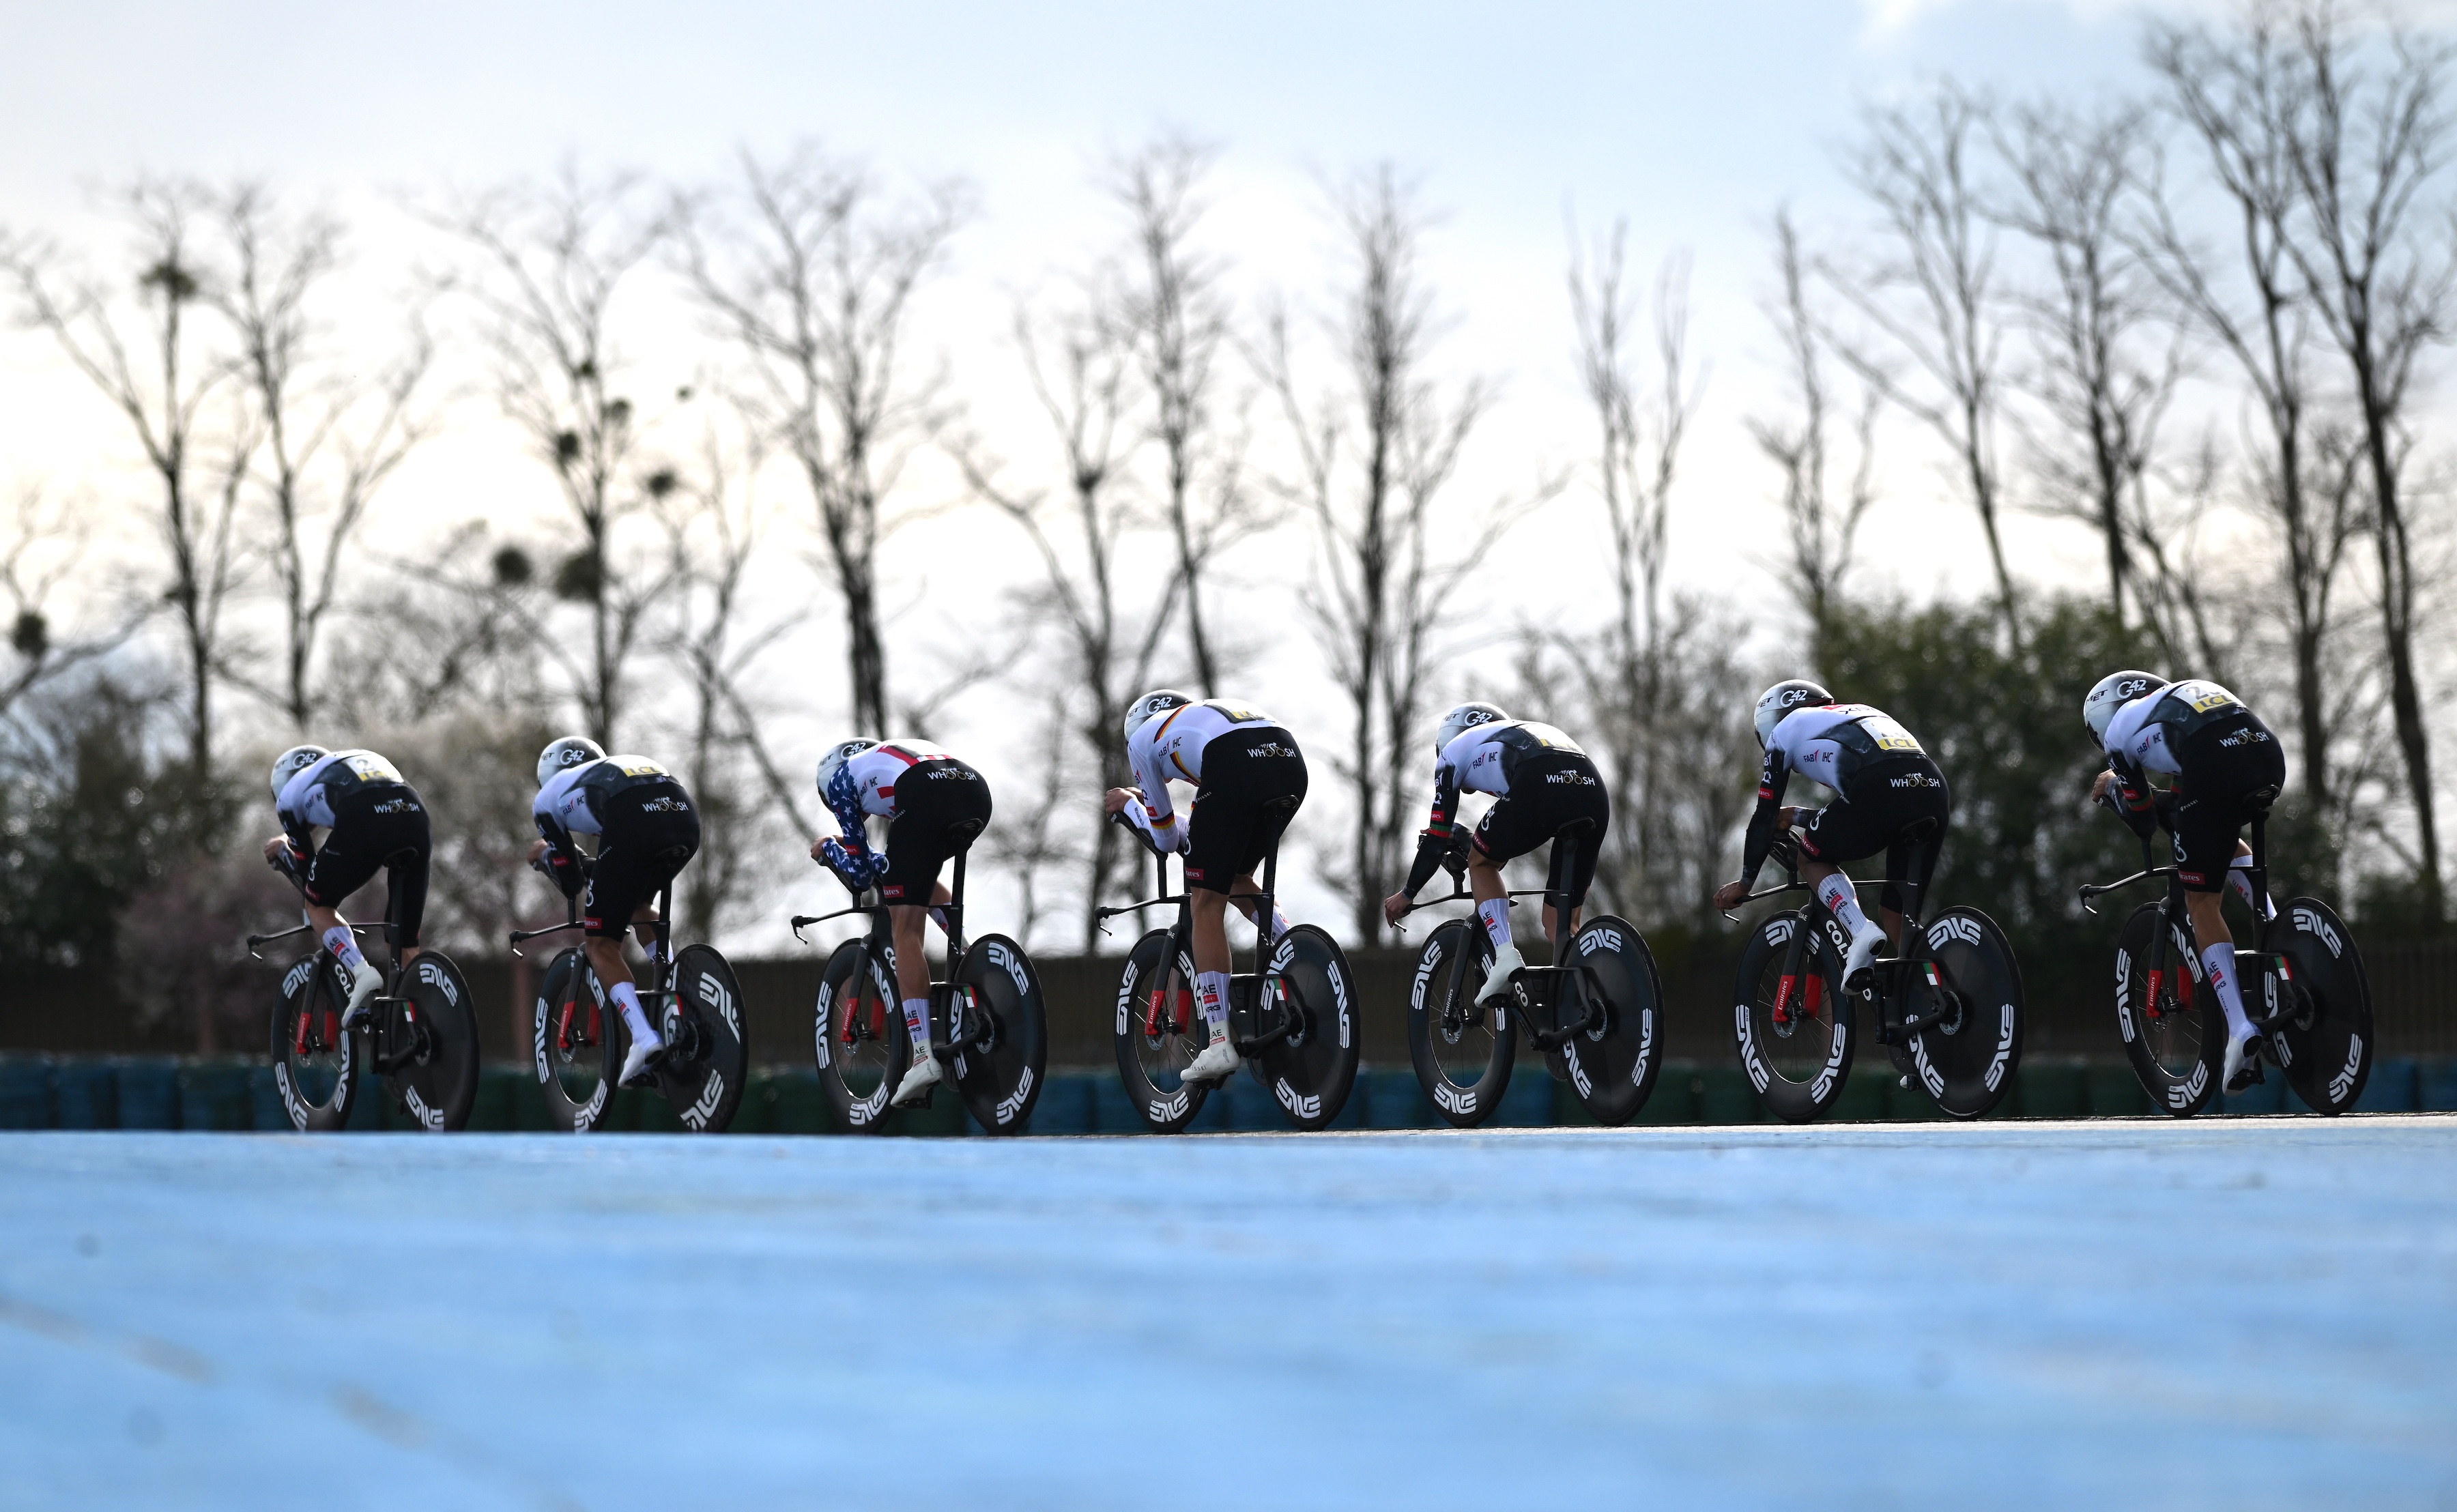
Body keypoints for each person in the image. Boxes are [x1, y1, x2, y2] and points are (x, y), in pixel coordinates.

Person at [2082, 670, 2286, 1094]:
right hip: (2266, 754)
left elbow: (2143, 820)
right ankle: (2280, 929)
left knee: (2201, 903)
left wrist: (2114, 789)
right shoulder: (2175, 702)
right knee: (2221, 840)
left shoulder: (2119, 735)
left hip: (2212, 761)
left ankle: (2240, 1029)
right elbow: (2180, 808)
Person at [1105, 690, 1305, 1086]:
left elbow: (1165, 840)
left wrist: (1129, 804)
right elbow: (1202, 826)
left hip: (1235, 765)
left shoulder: (1142, 740)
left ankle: (1217, 1041)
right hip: (1287, 758)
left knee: (1206, 902)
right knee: (1235, 879)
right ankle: (1296, 948)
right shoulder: (1197, 720)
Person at [1711, 680, 1951, 991]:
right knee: (1898, 916)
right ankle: (1938, 993)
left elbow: (1764, 816)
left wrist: (1745, 883)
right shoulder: (1859, 712)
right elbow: (1856, 813)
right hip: (1932, 788)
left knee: (1810, 857)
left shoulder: (1784, 731)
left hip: (1880, 787)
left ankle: (1861, 930)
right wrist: (1795, 816)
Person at [1381, 703, 1609, 1004]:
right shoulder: (1513, 733)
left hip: (1539, 781)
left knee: (1481, 863)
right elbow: (1510, 835)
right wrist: (1467, 837)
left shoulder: (1451, 754)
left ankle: (1504, 957)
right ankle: (1596, 999)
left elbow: (1436, 841)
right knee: (1560, 926)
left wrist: (1407, 895)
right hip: (1592, 789)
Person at [810, 737, 994, 1107]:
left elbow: (861, 876)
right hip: (973, 789)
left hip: (926, 793)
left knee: (905, 928)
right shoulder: (881, 761)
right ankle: (968, 951)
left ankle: (923, 1057)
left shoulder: (840, 779)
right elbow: (895, 862)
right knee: (916, 879)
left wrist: (829, 846)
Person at [528, 737, 702, 1088]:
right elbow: (613, 869)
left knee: (601, 944)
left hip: (632, 818)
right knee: (638, 905)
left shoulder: (547, 800)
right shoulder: (606, 770)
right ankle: (674, 990)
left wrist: (544, 857)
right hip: (683, 814)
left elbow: (571, 880)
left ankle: (644, 1039)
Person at [263, 746, 432, 1026]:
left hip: (364, 812)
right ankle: (421, 1020)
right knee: (403, 941)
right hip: (413, 811)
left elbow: (307, 870)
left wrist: (284, 850)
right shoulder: (339, 765)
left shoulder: (288, 799)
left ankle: (362, 972)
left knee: (317, 904)